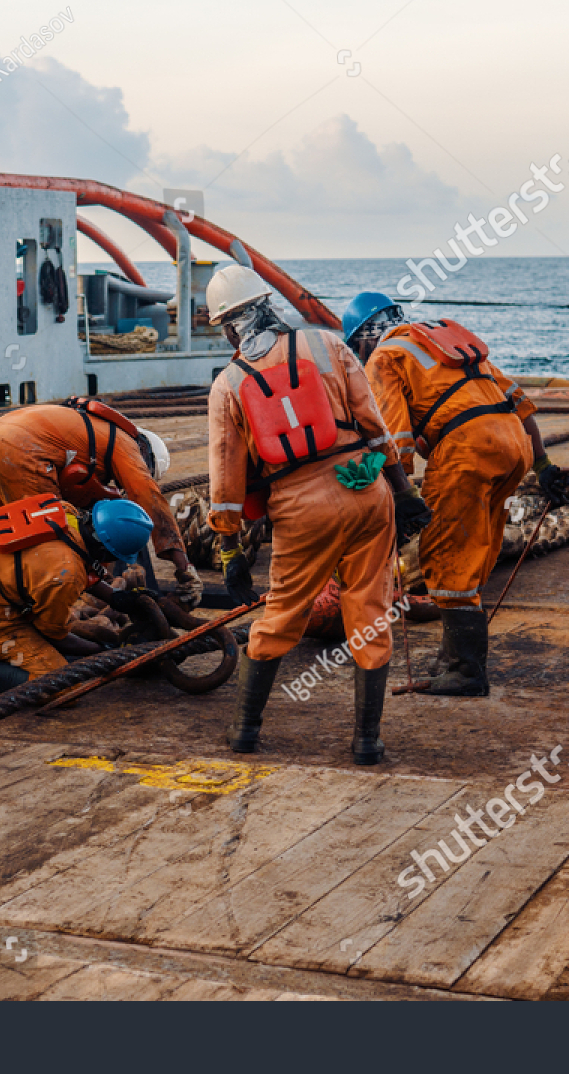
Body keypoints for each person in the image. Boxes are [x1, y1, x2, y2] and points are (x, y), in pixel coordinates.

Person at [204, 266, 431, 766]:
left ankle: (244, 731)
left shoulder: (229, 384)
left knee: (282, 613)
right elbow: (375, 426)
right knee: (370, 614)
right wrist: (404, 492)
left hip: (302, 511)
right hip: (369, 493)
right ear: (268, 304)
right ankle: (367, 742)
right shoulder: (331, 346)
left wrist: (228, 551)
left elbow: (226, 481)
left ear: (229, 326)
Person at [343, 291, 569, 697]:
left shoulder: (384, 357)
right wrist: (544, 466)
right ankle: (455, 659)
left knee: (446, 554)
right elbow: (519, 403)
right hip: (513, 445)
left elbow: (391, 438)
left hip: (467, 450)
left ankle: (467, 672)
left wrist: (402, 494)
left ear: (364, 337)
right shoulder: (443, 340)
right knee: (477, 546)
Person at [0, 400, 202, 608]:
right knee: (53, 538)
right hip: (22, 449)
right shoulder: (128, 445)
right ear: (145, 453)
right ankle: (53, 608)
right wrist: (184, 568)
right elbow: (150, 499)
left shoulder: (93, 433)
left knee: (8, 531)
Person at [0, 497, 157, 704]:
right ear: (105, 551)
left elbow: (78, 559)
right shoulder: (65, 573)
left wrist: (116, 597)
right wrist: (103, 650)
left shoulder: (66, 514)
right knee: (64, 689)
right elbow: (55, 633)